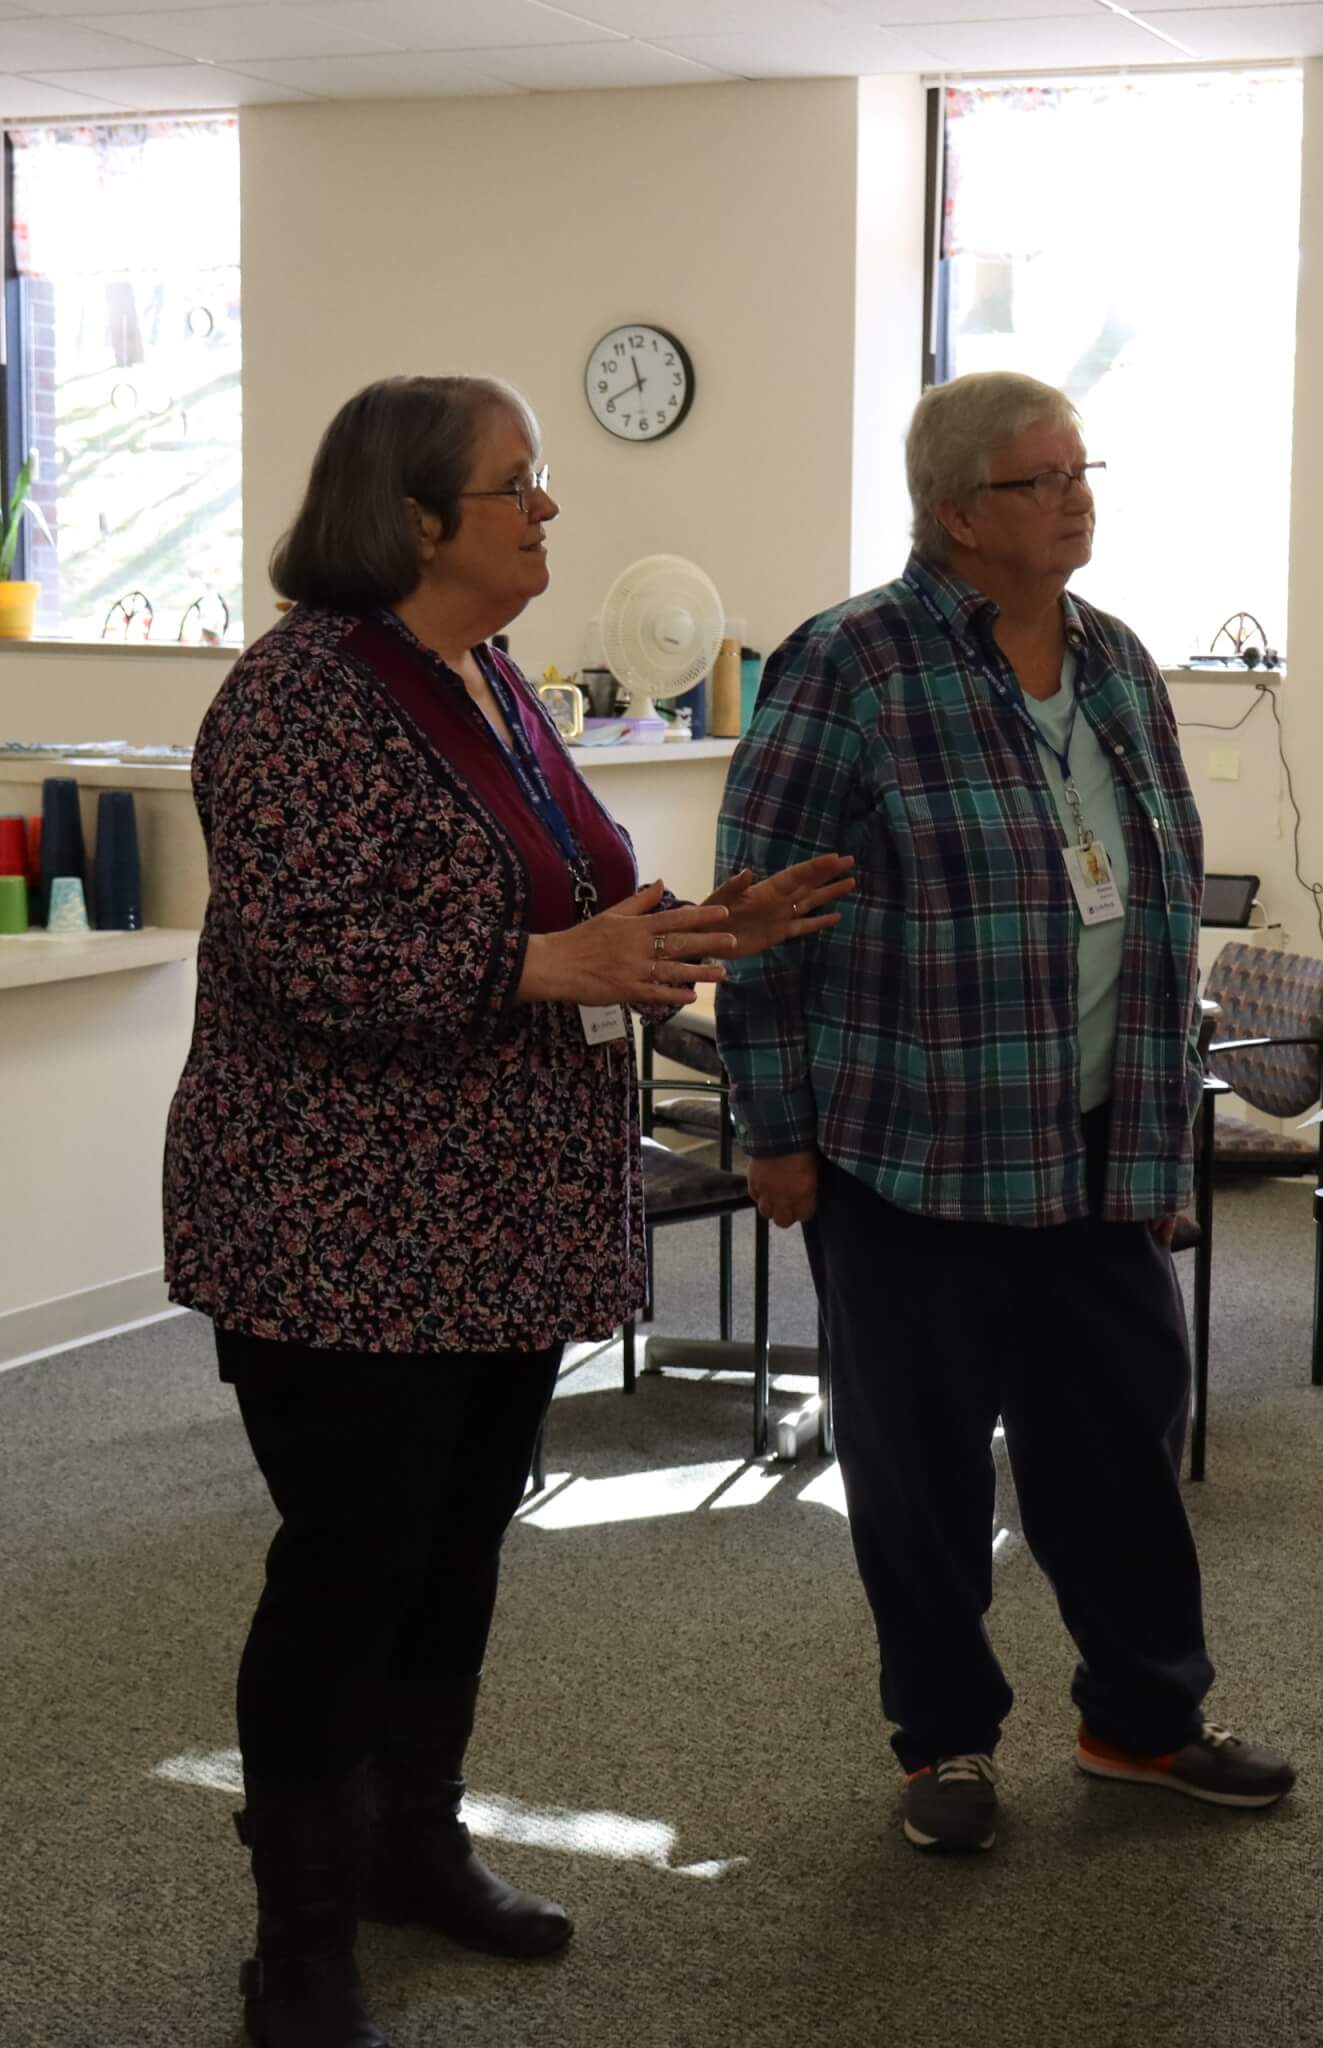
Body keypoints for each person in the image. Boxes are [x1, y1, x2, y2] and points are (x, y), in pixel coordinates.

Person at [163, 375, 852, 2048]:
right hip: (337, 1226)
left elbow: (571, 909)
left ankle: (418, 1851)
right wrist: (556, 959)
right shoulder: (298, 698)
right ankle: (305, 1936)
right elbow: (306, 951)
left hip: (495, 1218)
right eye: (518, 485)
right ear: (410, 516)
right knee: (348, 1563)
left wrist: (697, 932)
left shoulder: (489, 681)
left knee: (457, 1543)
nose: (551, 509)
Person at [715, 369, 1296, 1853]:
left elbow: (1157, 908)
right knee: (916, 1472)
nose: (1079, 495)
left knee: (1119, 1449)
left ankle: (1143, 1721)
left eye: (1084, 468)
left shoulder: (1113, 661)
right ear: (959, 513)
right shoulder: (846, 664)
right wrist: (775, 1129)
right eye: (1046, 479)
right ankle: (947, 1745)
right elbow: (761, 917)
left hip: (1098, 1148)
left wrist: (1162, 1142)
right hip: (915, 1154)